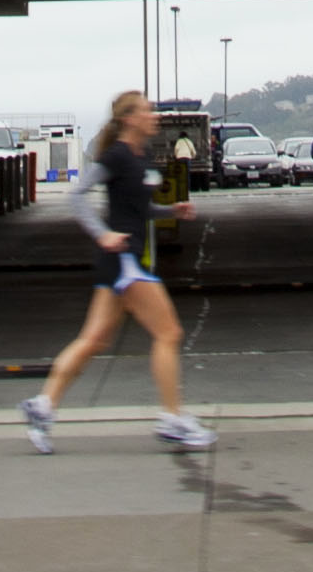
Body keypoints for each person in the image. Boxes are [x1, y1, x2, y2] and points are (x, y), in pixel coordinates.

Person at [24, 88, 211, 454]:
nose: (153, 115)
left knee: (93, 340)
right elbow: (77, 196)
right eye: (146, 111)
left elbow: (137, 211)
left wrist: (172, 211)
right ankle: (173, 418)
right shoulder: (117, 155)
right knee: (169, 333)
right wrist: (103, 234)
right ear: (129, 118)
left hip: (124, 262)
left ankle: (42, 405)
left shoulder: (141, 158)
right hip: (125, 261)